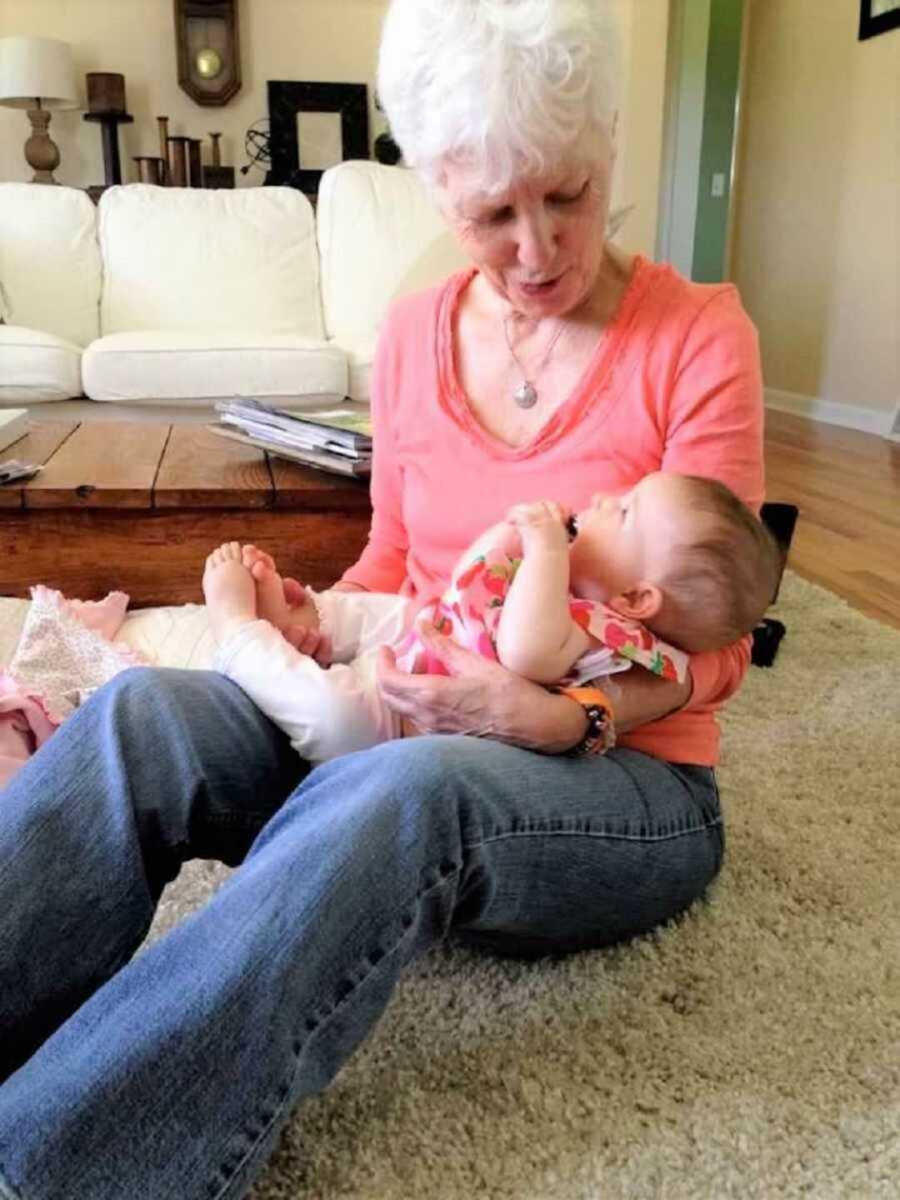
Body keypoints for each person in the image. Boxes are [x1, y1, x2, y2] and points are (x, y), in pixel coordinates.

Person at [0, 1, 767, 1196]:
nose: (534, 248)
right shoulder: (411, 337)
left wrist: (560, 717)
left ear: (610, 146)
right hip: (415, 718)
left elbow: (720, 647)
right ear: (435, 192)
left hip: (631, 778)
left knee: (399, 788)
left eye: (566, 195)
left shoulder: (697, 338)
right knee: (146, 710)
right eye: (489, 213)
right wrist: (317, 617)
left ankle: (48, 1173)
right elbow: (397, 567)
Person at [200, 472, 779, 764]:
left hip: (407, 722)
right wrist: (506, 540)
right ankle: (303, 625)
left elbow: (523, 652)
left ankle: (240, 635)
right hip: (431, 633)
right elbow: (464, 582)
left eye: (624, 512)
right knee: (389, 614)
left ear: (635, 599)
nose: (604, 499)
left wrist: (546, 549)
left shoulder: (603, 631)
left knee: (335, 715)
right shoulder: (585, 595)